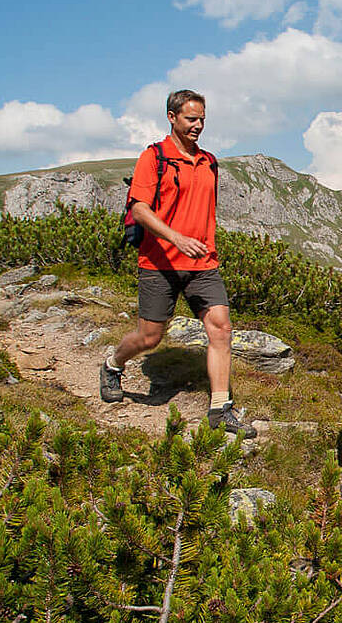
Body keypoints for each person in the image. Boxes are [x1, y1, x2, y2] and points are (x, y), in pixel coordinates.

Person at [97, 89, 248, 434]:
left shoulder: (209, 161)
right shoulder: (154, 158)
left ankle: (219, 408)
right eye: (191, 119)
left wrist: (203, 244)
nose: (197, 126)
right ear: (172, 117)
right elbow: (139, 208)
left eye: (202, 120)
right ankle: (112, 364)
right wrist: (176, 238)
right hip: (159, 262)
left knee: (221, 330)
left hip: (203, 263)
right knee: (150, 338)